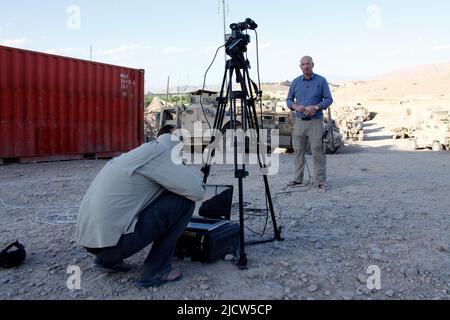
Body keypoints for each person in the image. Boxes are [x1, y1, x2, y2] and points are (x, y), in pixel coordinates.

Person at [74, 125, 205, 288]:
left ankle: (106, 261)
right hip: (113, 246)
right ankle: (157, 270)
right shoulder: (163, 155)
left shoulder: (137, 154)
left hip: (91, 242)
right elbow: (196, 191)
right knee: (183, 202)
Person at [286, 56, 334, 190]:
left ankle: (320, 181)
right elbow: (289, 100)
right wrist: (295, 106)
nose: (305, 66)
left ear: (313, 65)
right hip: (299, 121)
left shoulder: (321, 81)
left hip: (315, 121)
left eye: (308, 64)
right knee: (298, 151)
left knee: (317, 151)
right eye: (303, 64)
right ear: (300, 66)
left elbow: (329, 99)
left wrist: (316, 107)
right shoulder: (295, 82)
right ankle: (297, 179)